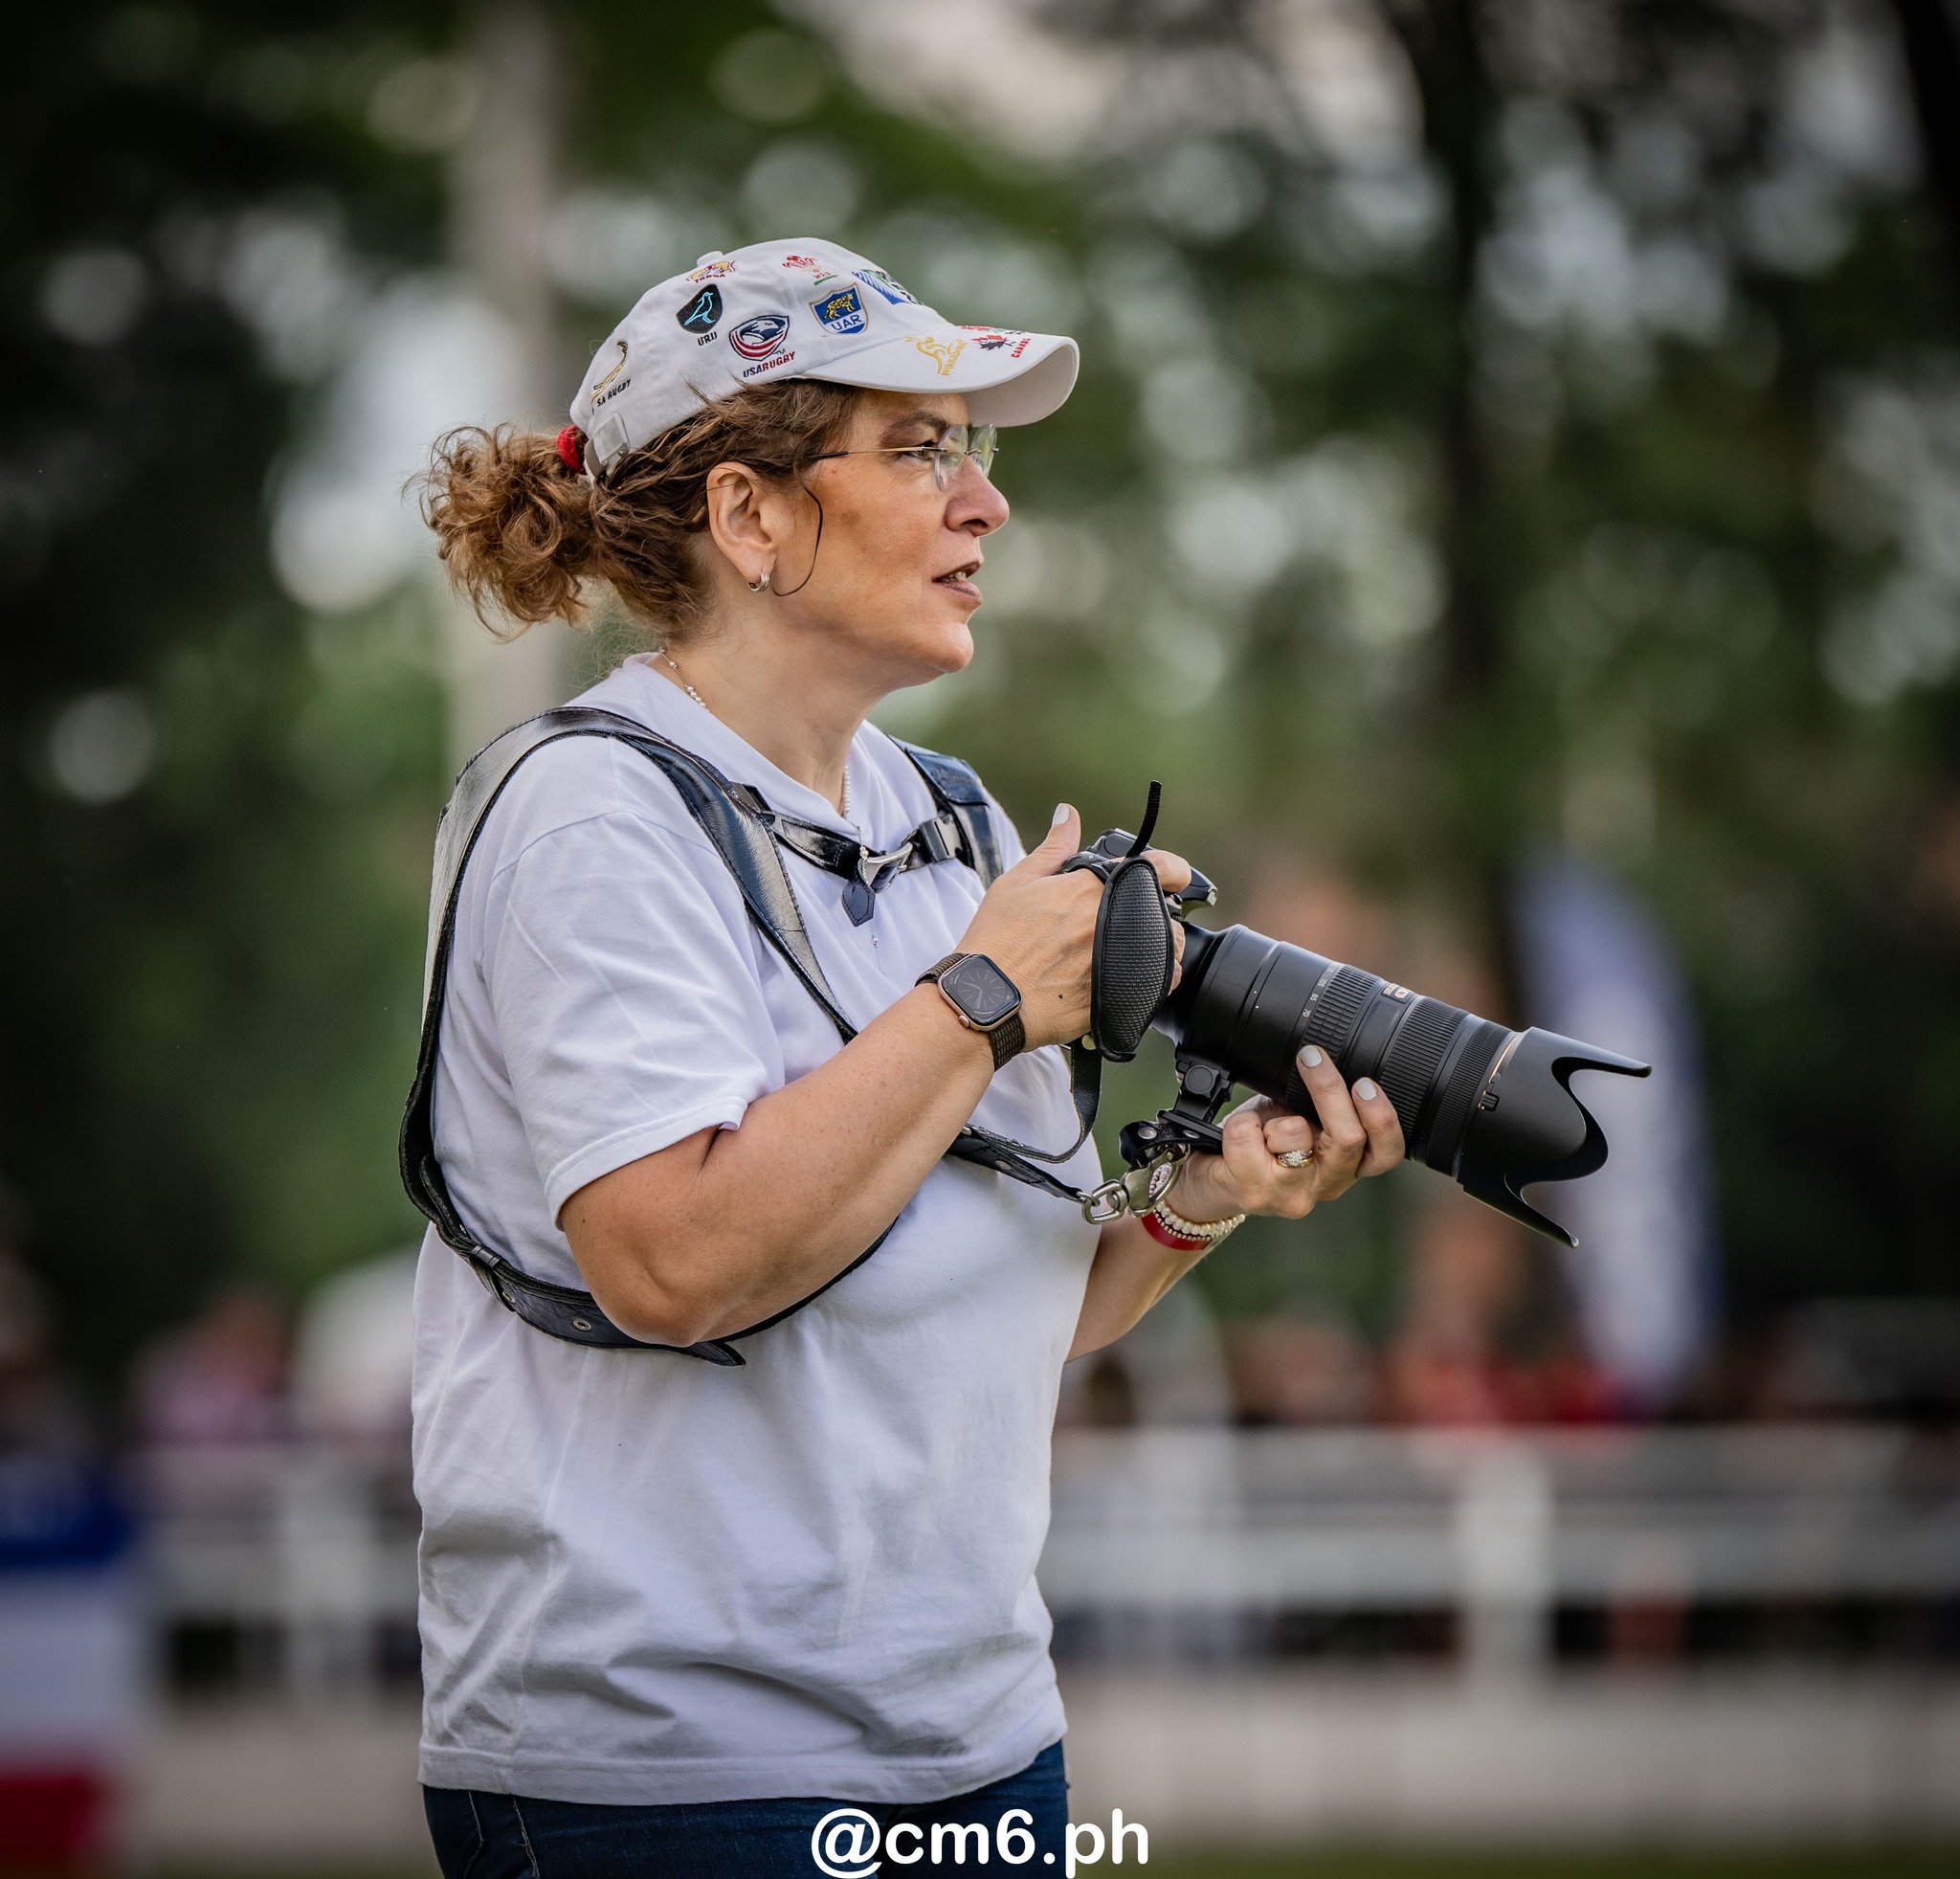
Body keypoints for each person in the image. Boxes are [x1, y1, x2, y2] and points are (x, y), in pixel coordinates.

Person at [410, 237, 1404, 1876]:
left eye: (978, 451)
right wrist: (981, 995)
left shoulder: (949, 818)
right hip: (674, 1782)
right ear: (751, 518)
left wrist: (1196, 1197)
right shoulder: (590, 809)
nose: (985, 503)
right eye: (923, 448)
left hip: (989, 1747)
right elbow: (671, 1262)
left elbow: (1003, 1295)